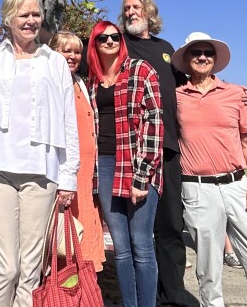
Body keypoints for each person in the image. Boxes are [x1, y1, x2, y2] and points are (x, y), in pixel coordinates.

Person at [0, 0, 79, 306]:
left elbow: (68, 121)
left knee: (30, 269)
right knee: (4, 269)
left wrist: (69, 175)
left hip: (42, 172)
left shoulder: (56, 63)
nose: (32, 20)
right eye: (25, 15)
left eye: (37, 14)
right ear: (8, 19)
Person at [172, 32, 247, 307]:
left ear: (215, 59)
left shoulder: (236, 94)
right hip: (197, 189)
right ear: (186, 60)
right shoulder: (174, 97)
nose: (202, 57)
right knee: (208, 271)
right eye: (196, 52)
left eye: (207, 53)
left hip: (238, 186)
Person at [118, 0, 188, 306]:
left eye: (136, 7)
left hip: (169, 150)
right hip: (135, 153)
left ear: (149, 12)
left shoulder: (166, 50)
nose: (131, 12)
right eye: (127, 8)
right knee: (139, 234)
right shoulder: (117, 44)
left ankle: (173, 296)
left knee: (172, 227)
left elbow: (187, 89)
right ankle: (142, 297)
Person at [86, 20, 163, 307]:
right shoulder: (92, 81)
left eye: (114, 37)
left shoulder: (141, 70)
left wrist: (142, 176)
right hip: (104, 165)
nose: (109, 42)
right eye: (102, 38)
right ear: (94, 44)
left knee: (142, 245)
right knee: (120, 248)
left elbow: (154, 122)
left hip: (136, 162)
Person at [49, 30, 106, 272]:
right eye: (66, 50)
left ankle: (83, 291)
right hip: (65, 173)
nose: (73, 56)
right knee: (63, 236)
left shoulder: (81, 83)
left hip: (87, 174)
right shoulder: (50, 83)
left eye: (77, 51)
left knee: (85, 231)